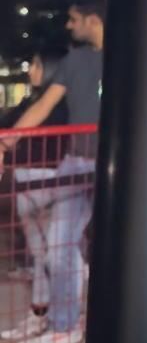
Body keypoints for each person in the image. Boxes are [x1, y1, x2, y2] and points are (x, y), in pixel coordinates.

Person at [3, 0, 106, 341]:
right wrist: (6, 141)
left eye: (72, 18)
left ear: (93, 20)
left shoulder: (130, 56)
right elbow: (43, 105)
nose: (67, 25)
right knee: (59, 247)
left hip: (119, 169)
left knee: (120, 249)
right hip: (76, 165)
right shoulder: (75, 60)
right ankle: (65, 327)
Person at [0, 47, 69, 341]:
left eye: (37, 65)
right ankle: (40, 314)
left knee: (55, 254)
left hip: (52, 183)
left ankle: (59, 318)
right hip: (26, 182)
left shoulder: (60, 107)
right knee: (41, 254)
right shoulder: (30, 102)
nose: (31, 70)